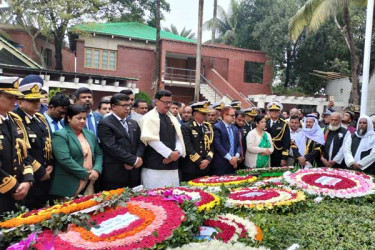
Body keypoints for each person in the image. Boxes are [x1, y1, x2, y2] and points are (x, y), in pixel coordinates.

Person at [16, 75, 54, 209]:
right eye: (32, 100)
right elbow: (22, 150)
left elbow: (47, 145)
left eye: (38, 99)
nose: (37, 103)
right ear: (20, 102)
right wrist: (40, 171)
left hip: (46, 174)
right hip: (29, 175)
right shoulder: (16, 120)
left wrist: (50, 164)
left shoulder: (40, 119)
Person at [50, 105, 103, 198]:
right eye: (79, 118)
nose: (82, 121)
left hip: (90, 182)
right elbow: (65, 159)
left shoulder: (89, 134)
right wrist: (85, 174)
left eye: (84, 118)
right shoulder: (60, 135)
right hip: (69, 183)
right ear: (69, 118)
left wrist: (97, 170)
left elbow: (98, 153)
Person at [0, 77, 34, 214]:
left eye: (15, 97)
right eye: (9, 97)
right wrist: (13, 186)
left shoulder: (15, 121)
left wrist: (27, 180)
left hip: (20, 192)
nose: (14, 101)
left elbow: (24, 154)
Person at [139, 90, 185, 189]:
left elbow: (178, 137)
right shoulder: (148, 118)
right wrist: (169, 153)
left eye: (170, 102)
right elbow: (151, 139)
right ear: (157, 101)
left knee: (174, 195)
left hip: (172, 164)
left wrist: (177, 152)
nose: (168, 105)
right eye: (165, 102)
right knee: (155, 198)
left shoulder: (172, 118)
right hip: (155, 165)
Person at [98, 94, 144, 190]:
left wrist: (138, 158)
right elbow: (111, 147)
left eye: (129, 105)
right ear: (113, 107)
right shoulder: (105, 123)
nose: (127, 108)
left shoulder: (133, 123)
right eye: (124, 106)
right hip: (115, 172)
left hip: (133, 172)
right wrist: (132, 160)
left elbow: (140, 143)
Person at [180, 101, 214, 181]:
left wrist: (208, 160)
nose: (205, 116)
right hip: (191, 166)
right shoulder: (186, 127)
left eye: (206, 113)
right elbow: (188, 146)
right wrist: (199, 161)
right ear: (195, 114)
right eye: (203, 114)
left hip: (206, 166)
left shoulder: (208, 127)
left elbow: (212, 145)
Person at [211, 106, 241, 175]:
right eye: (232, 115)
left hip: (233, 163)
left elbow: (238, 145)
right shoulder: (217, 127)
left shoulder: (235, 128)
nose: (234, 117)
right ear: (225, 116)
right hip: (221, 163)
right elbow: (218, 145)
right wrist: (230, 158)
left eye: (234, 115)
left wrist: (236, 157)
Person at [266, 101, 291, 167]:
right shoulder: (264, 122)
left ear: (279, 112)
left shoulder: (284, 124)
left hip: (278, 153)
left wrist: (284, 158)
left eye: (276, 111)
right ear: (269, 112)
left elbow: (287, 142)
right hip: (265, 152)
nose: (274, 112)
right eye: (272, 110)